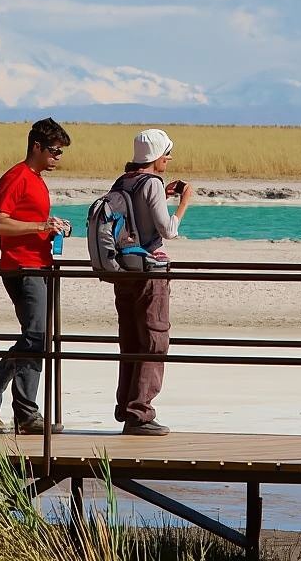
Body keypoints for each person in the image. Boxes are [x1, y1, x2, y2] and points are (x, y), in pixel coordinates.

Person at [0, 118, 71, 434]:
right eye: (54, 151)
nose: (58, 157)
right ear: (37, 147)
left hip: (39, 266)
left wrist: (52, 225)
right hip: (22, 268)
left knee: (38, 338)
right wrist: (40, 227)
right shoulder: (16, 177)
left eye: (61, 153)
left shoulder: (36, 179)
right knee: (36, 337)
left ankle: (25, 414)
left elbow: (28, 220)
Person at [110, 128, 193, 436]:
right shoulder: (152, 184)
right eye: (167, 154)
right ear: (158, 156)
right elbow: (167, 230)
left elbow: (132, 216)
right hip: (150, 271)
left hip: (124, 269)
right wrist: (184, 202)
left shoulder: (123, 181)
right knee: (154, 339)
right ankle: (140, 412)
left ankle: (127, 407)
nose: (169, 159)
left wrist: (163, 193)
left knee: (130, 339)